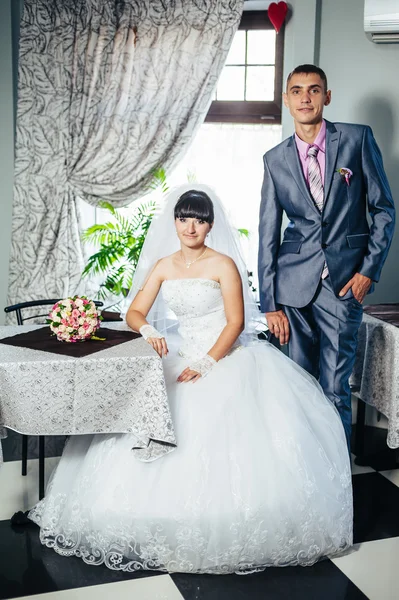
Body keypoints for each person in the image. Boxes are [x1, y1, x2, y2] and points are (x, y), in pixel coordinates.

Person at [29, 185, 353, 574]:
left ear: (210, 225)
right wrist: (148, 330)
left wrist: (207, 363)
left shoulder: (222, 265)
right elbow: (135, 311)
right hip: (180, 353)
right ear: (175, 222)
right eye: (184, 218)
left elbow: (235, 323)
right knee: (148, 413)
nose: (190, 226)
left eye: (199, 219)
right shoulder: (164, 265)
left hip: (223, 357)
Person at [258, 64, 395, 449]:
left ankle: (337, 478)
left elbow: (384, 210)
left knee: (335, 386)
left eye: (314, 90)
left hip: (344, 284)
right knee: (297, 383)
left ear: (327, 97)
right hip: (291, 288)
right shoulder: (274, 159)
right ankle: (304, 470)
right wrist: (270, 303)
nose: (305, 97)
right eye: (297, 90)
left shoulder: (356, 139)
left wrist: (369, 271)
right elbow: (268, 233)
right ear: (286, 101)